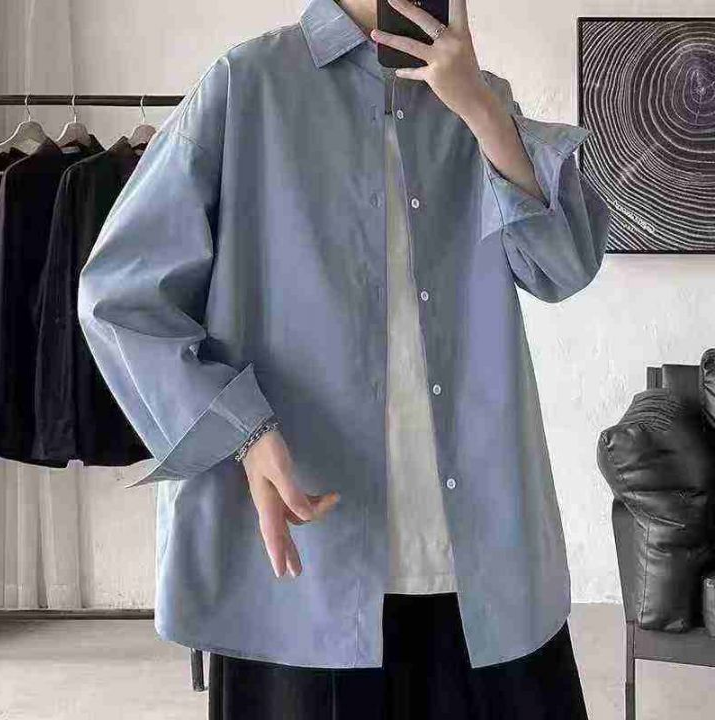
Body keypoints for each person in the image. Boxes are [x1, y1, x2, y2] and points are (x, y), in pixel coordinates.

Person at [77, 0, 611, 717]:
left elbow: (563, 267)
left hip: (481, 558)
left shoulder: (482, 98)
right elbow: (119, 297)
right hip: (308, 565)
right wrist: (243, 432)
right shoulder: (248, 84)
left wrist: (481, 110)